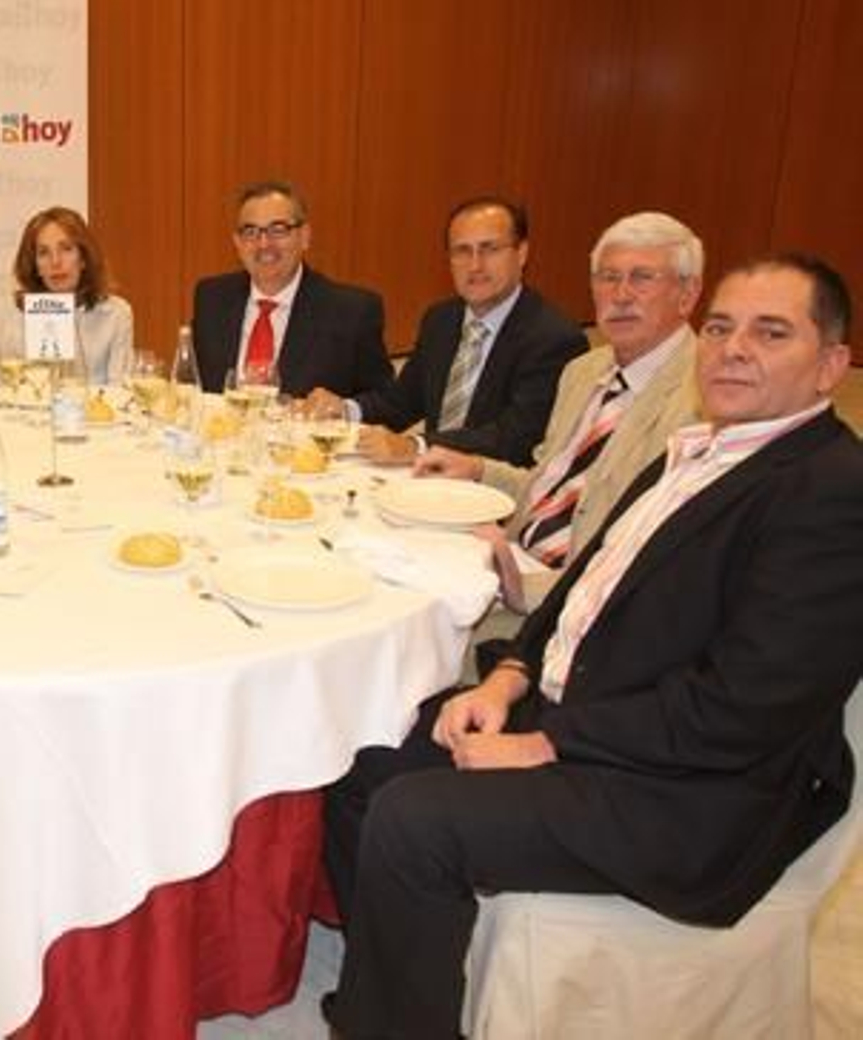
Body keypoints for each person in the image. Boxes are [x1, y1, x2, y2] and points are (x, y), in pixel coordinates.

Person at [321, 254, 863, 1040]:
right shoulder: (698, 449)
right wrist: (505, 679)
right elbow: (582, 589)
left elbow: (744, 709)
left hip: (691, 793)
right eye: (720, 328)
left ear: (831, 366)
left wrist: (544, 742)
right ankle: (404, 979)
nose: (733, 348)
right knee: (368, 748)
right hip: (598, 719)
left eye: (770, 332)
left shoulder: (830, 492)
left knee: (415, 818)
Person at [416, 211, 704, 619]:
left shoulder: (704, 402)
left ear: (688, 294)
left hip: (571, 605)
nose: (620, 295)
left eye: (642, 278)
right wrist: (477, 468)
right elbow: (549, 486)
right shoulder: (584, 372)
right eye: (607, 277)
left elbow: (644, 563)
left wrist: (515, 586)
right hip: (514, 553)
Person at [315, 196, 586, 467]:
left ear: (522, 253)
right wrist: (346, 410)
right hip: (433, 481)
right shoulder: (441, 318)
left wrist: (417, 446)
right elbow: (403, 400)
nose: (475, 265)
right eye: (462, 251)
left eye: (490, 249)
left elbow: (515, 438)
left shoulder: (554, 339)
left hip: (495, 494)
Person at [191, 180, 391, 399]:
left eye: (278, 230)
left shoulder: (351, 312)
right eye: (251, 232)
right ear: (237, 242)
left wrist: (343, 408)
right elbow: (195, 386)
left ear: (304, 237)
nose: (264, 244)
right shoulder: (211, 297)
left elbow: (386, 400)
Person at [0, 206, 133, 385]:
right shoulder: (16, 316)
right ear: (35, 267)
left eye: (66, 249)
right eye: (43, 252)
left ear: (83, 259)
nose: (55, 262)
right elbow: (2, 388)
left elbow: (120, 390)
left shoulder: (116, 313)